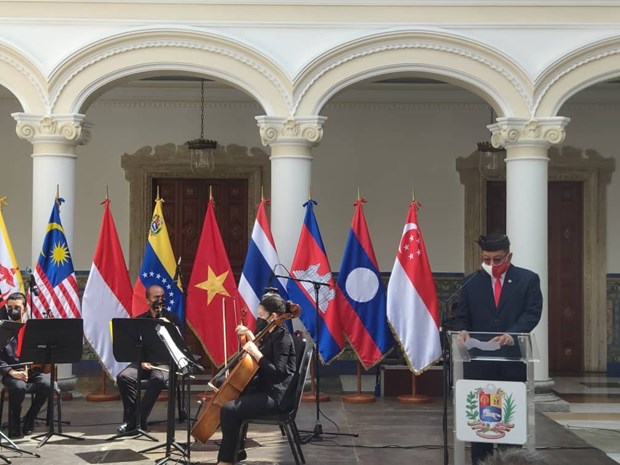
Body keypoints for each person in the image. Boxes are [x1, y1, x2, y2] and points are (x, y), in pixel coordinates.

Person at [452, 233, 542, 465]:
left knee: (509, 423)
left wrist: (511, 334)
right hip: (478, 363)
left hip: (511, 362)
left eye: (497, 259)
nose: (491, 265)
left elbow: (532, 312)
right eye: (486, 259)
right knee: (480, 423)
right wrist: (462, 330)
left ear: (509, 256)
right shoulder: (471, 282)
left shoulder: (528, 279)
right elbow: (461, 316)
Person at [216, 292, 297, 465]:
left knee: (229, 410)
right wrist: (252, 339)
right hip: (265, 387)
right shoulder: (271, 332)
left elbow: (278, 373)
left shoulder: (283, 338)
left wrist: (256, 353)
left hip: (277, 396)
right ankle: (236, 450)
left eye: (261, 315)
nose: (259, 318)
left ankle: (226, 460)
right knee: (226, 386)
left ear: (273, 316)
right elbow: (265, 348)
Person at [116, 284, 182, 434]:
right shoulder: (140, 320)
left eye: (162, 297)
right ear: (148, 300)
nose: (160, 300)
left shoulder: (172, 317)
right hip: (145, 361)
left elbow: (180, 344)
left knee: (158, 379)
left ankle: (137, 420)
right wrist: (141, 360)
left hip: (165, 363)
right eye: (156, 297)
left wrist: (170, 326)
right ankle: (131, 418)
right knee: (124, 377)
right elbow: (134, 345)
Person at [0, 292, 51, 438]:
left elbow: (42, 352)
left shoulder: (32, 329)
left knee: (48, 384)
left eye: (16, 307)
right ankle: (14, 424)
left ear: (25, 308)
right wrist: (12, 372)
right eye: (9, 307)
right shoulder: (3, 329)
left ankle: (30, 418)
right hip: (11, 372)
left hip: (31, 370)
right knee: (18, 386)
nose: (12, 310)